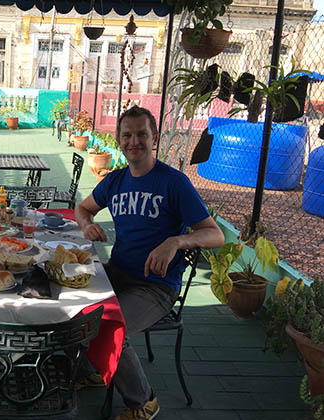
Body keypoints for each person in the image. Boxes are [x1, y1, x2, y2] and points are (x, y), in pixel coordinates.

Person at [75, 106, 224, 420]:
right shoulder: (114, 181)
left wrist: (176, 241)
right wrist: (87, 224)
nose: (134, 141)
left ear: (154, 138)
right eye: (127, 135)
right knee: (72, 301)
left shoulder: (174, 182)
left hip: (155, 287)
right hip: (118, 274)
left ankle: (143, 401)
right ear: (119, 140)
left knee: (107, 325)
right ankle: (92, 368)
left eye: (141, 134)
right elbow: (82, 209)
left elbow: (215, 235)